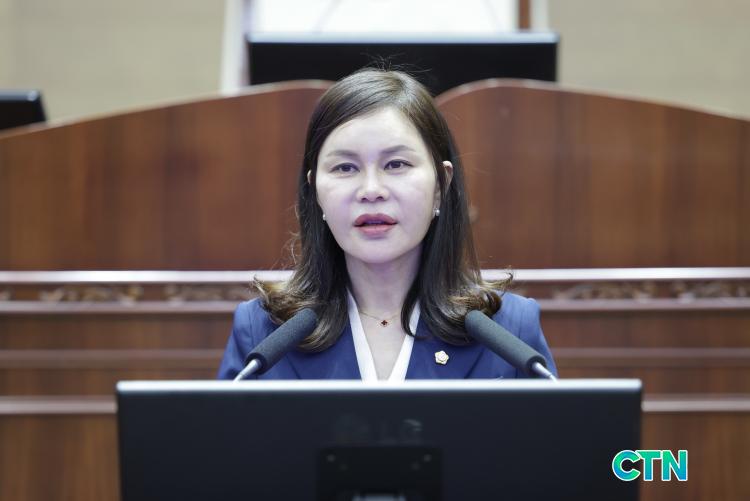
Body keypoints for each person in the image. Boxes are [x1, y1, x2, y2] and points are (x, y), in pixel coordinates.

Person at [217, 68, 556, 381]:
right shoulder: (262, 333)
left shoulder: (510, 332)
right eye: (345, 168)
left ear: (441, 185)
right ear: (315, 191)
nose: (371, 190)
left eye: (396, 164)